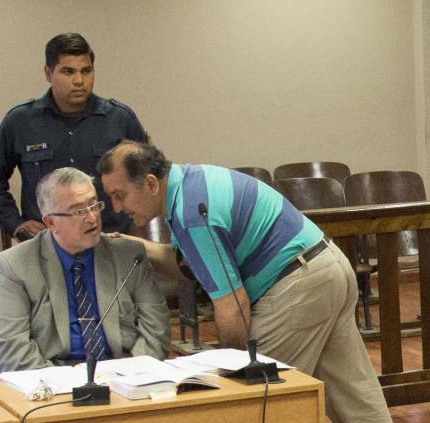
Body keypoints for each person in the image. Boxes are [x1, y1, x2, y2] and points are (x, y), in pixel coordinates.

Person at [98, 142, 392, 423]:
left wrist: (232, 370)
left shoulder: (192, 213)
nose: (115, 207)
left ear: (150, 184)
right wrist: (134, 246)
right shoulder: (192, 182)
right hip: (327, 266)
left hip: (296, 286)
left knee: (258, 400)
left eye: (119, 195)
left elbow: (232, 305)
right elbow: (191, 266)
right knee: (355, 398)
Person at [0, 167, 170, 374]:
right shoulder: (13, 266)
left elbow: (157, 330)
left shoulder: (128, 255)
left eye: (94, 205)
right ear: (51, 222)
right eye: (79, 211)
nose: (92, 218)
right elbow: (8, 349)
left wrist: (127, 376)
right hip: (45, 383)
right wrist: (71, 385)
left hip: (120, 375)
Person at [0, 32, 149, 241]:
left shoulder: (119, 119)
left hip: (110, 241)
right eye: (68, 72)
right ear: (49, 73)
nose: (79, 81)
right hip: (47, 244)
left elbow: (147, 178)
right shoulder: (20, 121)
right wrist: (14, 222)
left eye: (86, 71)